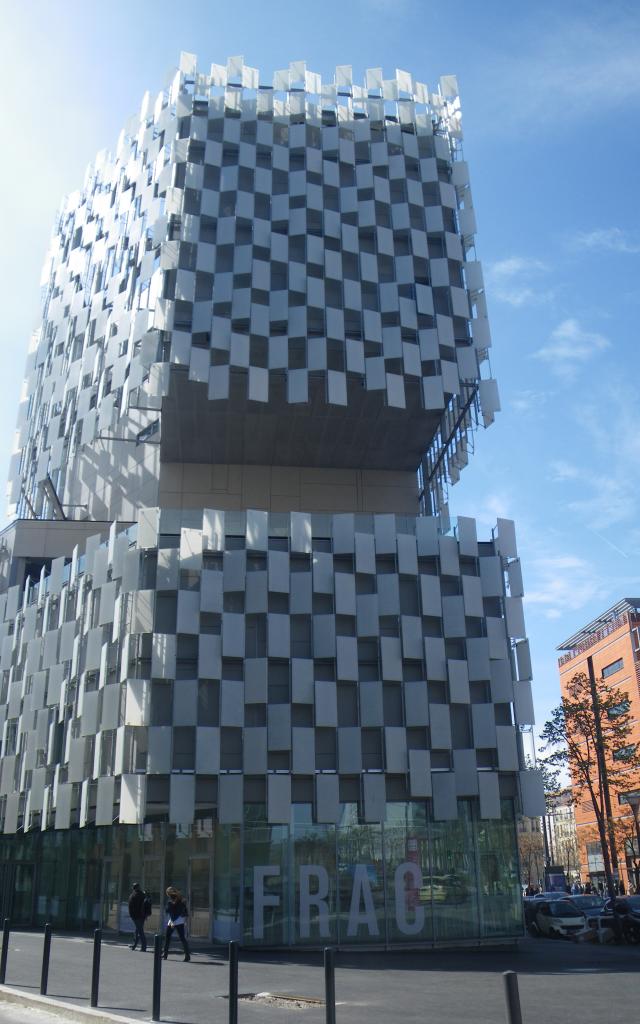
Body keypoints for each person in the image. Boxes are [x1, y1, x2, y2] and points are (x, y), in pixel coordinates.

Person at [163, 886, 190, 961]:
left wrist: (171, 905)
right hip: (175, 920)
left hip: (176, 921)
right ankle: (165, 954)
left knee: (178, 938)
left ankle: (187, 955)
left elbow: (172, 910)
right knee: (170, 937)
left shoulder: (179, 900)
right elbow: (169, 910)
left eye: (169, 892)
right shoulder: (176, 900)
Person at [128, 882, 147, 952]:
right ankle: (134, 945)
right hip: (142, 916)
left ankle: (144, 947)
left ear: (133, 888)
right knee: (137, 930)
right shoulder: (143, 894)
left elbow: (131, 906)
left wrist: (132, 915)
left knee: (140, 931)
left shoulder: (134, 895)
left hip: (136, 916)